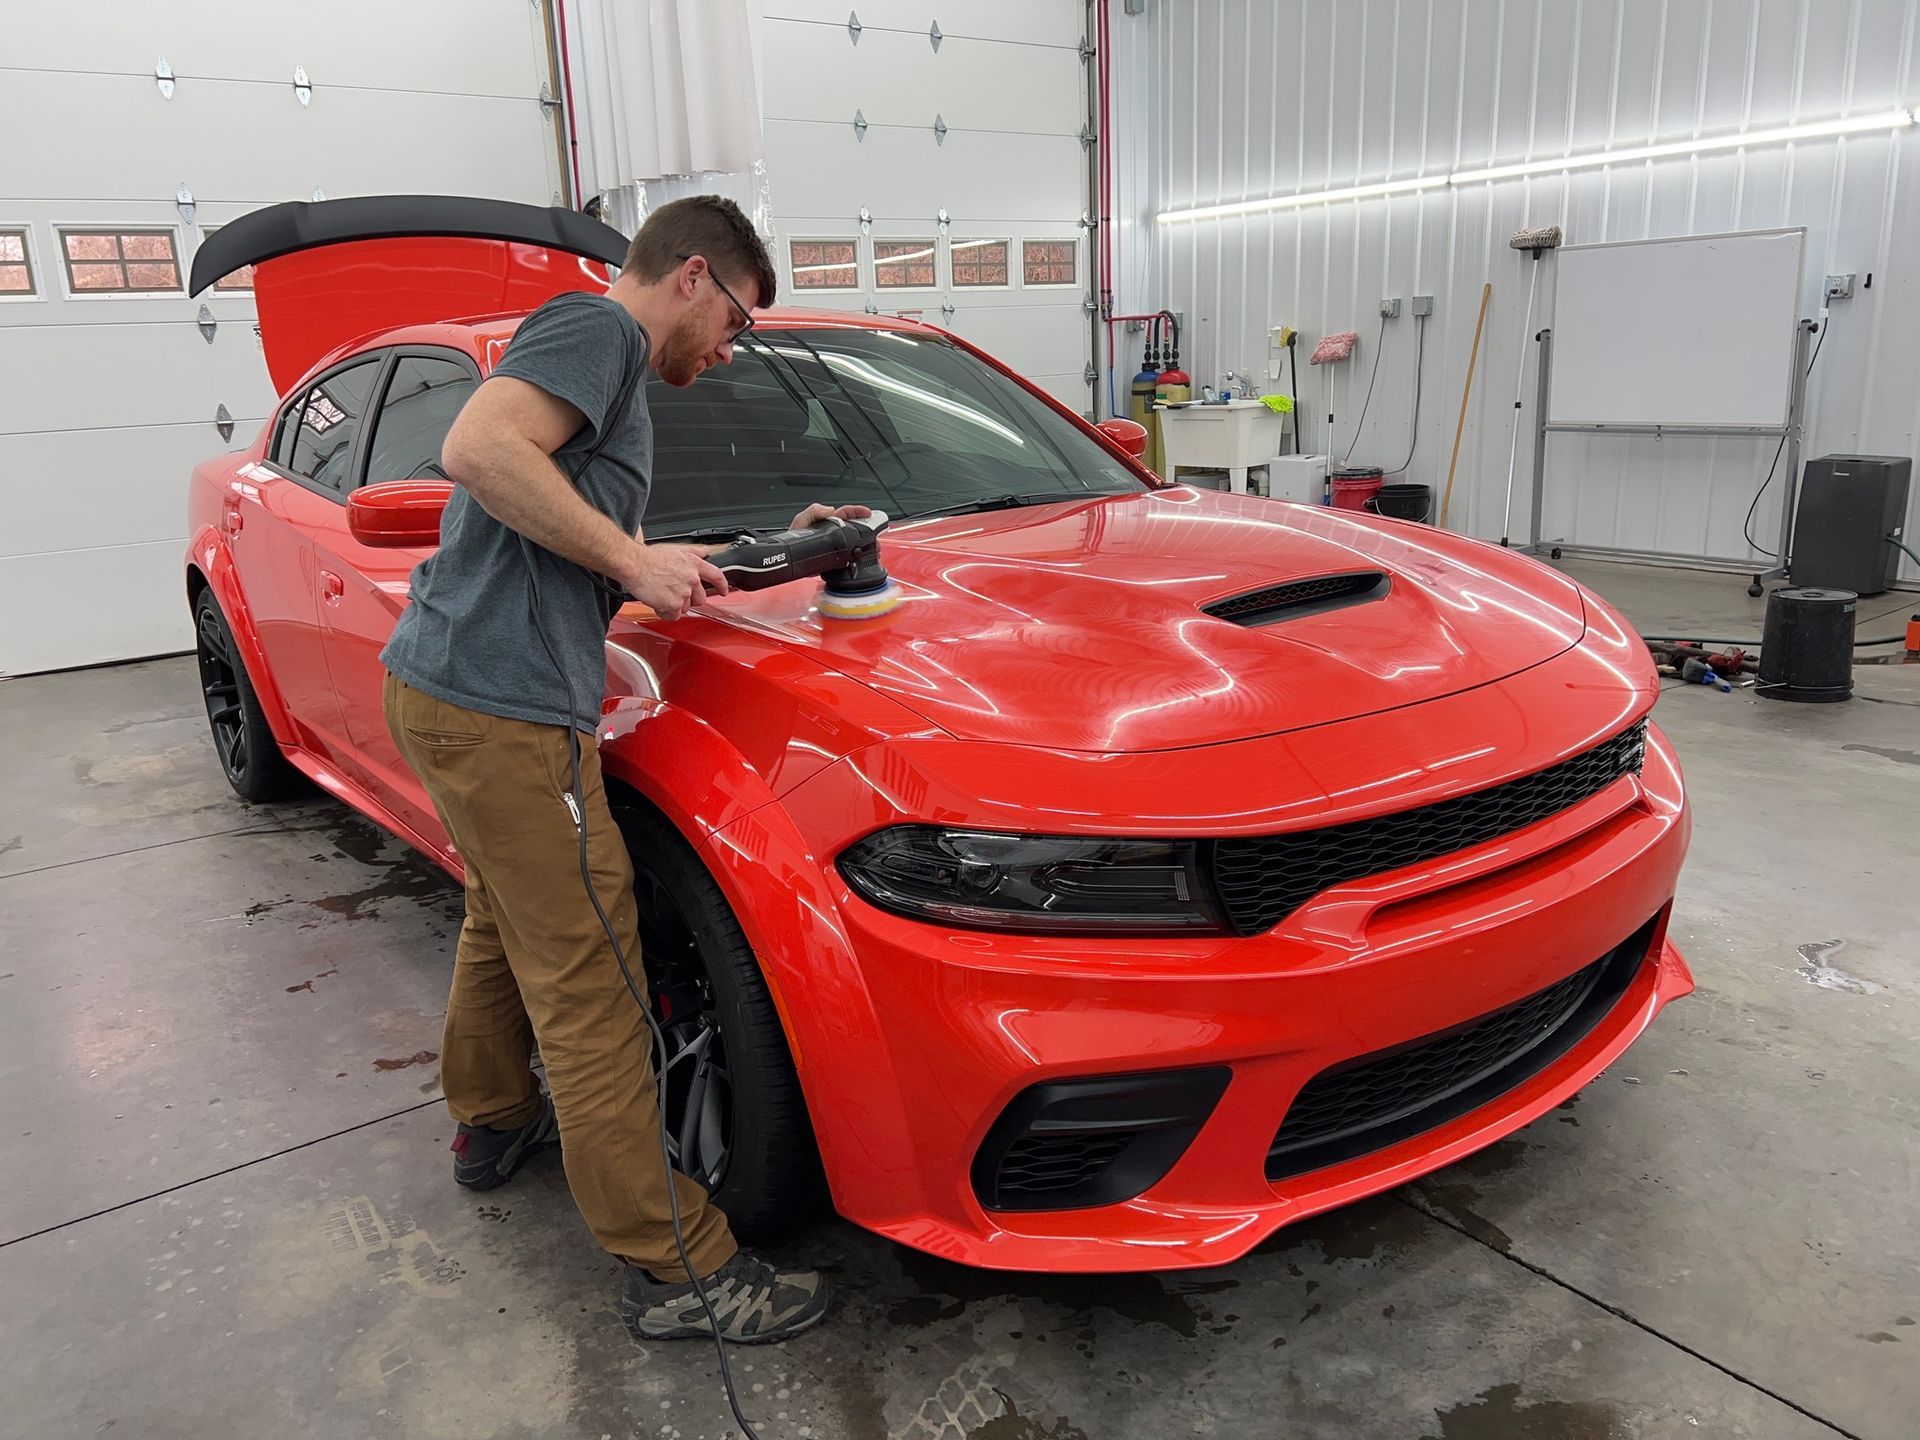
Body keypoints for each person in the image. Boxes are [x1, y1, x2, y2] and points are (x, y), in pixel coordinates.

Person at [380, 195, 852, 1344]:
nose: (731, 349)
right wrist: (632, 557)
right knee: (592, 983)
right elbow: (479, 450)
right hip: (503, 714)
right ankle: (678, 1266)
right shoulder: (595, 332)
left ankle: (491, 1121)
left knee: (507, 921)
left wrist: (753, 551)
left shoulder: (612, 383)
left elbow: (585, 537)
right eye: (736, 321)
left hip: (450, 694)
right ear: (693, 275)